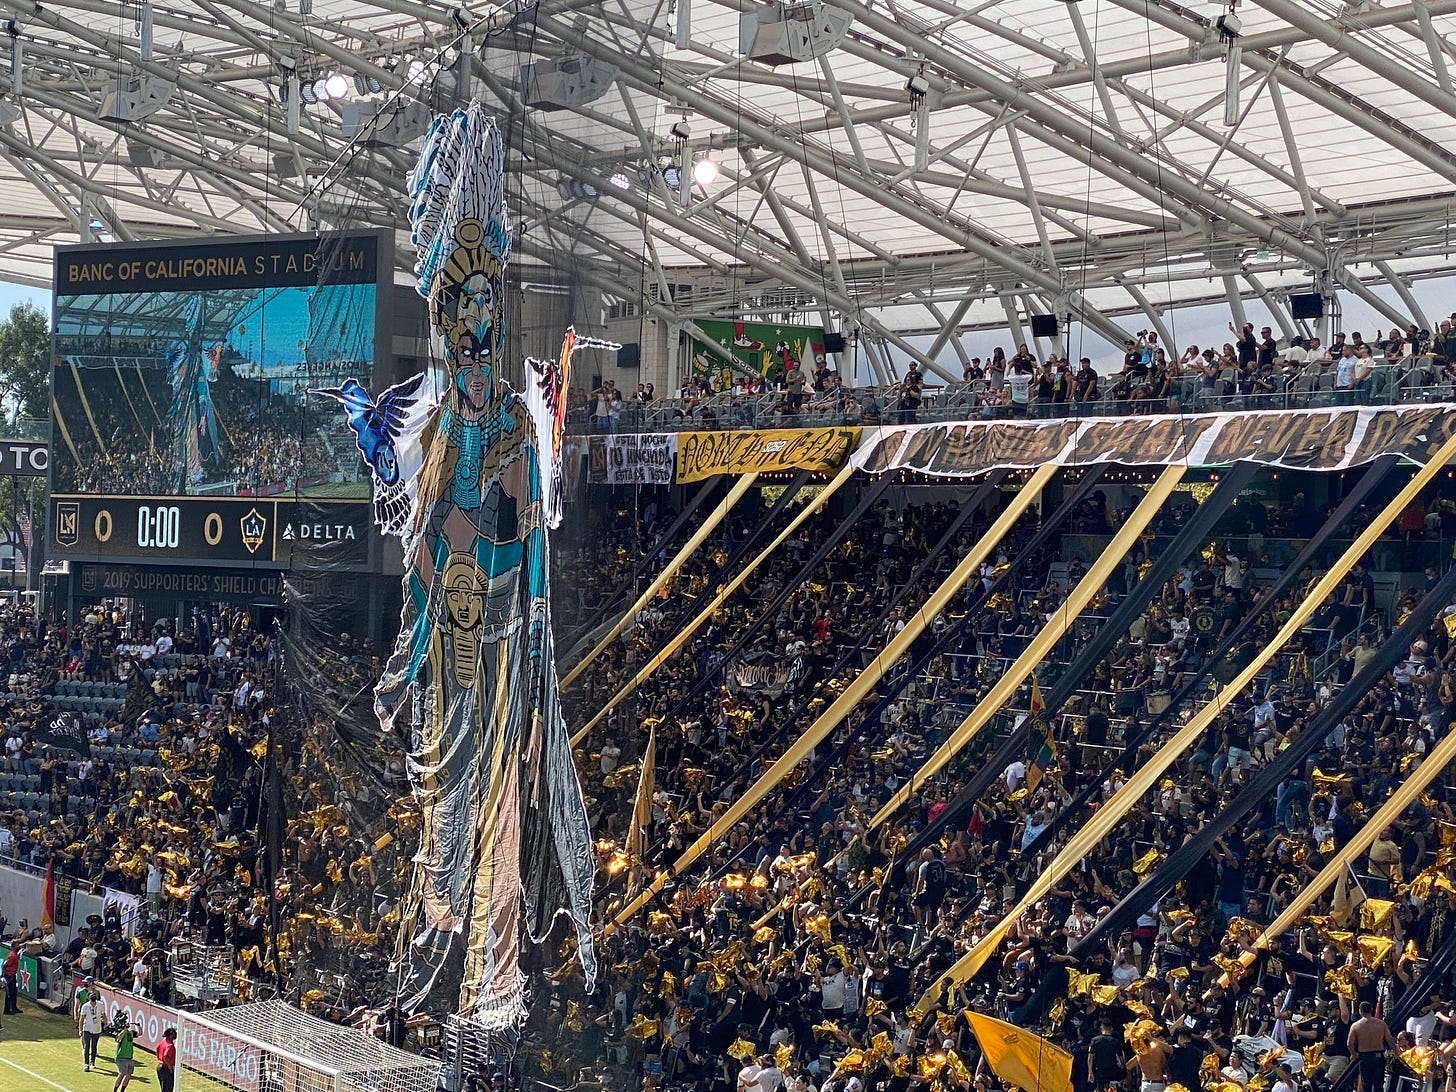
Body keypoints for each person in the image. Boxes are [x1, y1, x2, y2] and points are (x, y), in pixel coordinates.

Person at [1347, 999, 1396, 1092]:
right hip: (1378, 1055)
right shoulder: (1381, 1024)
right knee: (1378, 1084)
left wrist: (1353, 1054)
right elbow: (1390, 1040)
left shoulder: (1356, 1026)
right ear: (1372, 1009)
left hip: (1364, 1056)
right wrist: (1395, 1050)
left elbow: (1349, 1043)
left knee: (1366, 1084)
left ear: (1360, 1011)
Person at [79, 989, 105, 1072]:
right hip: (87, 1028)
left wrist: (106, 1021)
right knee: (87, 1046)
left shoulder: (100, 1005)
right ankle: (86, 1064)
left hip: (97, 1028)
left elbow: (103, 1014)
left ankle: (92, 1062)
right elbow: (82, 1019)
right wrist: (80, 1029)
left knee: (94, 1046)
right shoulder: (85, 1006)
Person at [114, 1019, 138, 1092]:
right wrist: (125, 1029)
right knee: (122, 1074)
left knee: (128, 1074)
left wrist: (138, 1026)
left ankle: (122, 1090)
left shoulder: (130, 1032)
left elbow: (139, 1033)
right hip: (121, 1057)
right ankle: (115, 1090)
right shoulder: (121, 1031)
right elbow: (118, 1038)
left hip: (129, 1057)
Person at [156, 1027, 178, 1092]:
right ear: (171, 1035)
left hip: (160, 1066)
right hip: (166, 1068)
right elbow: (166, 1056)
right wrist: (170, 1068)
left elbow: (157, 1050)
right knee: (168, 1088)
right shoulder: (170, 1045)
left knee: (164, 1088)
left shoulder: (163, 1041)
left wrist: (159, 1059)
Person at [1, 943, 17, 1014]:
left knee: (14, 992)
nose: (18, 946)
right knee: (9, 993)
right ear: (13, 947)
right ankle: (7, 1010)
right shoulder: (12, 956)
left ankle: (13, 1008)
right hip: (9, 976)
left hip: (12, 975)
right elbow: (4, 965)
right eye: (17, 945)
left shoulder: (14, 954)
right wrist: (5, 974)